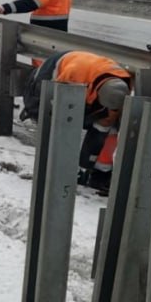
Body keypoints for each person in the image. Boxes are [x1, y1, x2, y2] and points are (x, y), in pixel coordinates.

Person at [20, 50, 134, 194]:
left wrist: (87, 163)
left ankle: (97, 174)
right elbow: (60, 110)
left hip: (93, 78)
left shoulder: (121, 90)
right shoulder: (72, 75)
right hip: (55, 72)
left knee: (109, 128)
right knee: (49, 116)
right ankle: (52, 168)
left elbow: (103, 126)